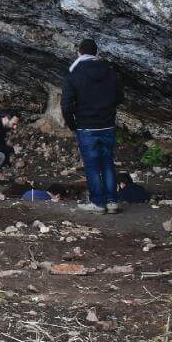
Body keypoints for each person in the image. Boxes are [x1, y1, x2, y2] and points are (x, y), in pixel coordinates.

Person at [61, 38, 123, 214]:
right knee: (108, 163)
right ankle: (112, 202)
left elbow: (66, 104)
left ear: (79, 52)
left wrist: (73, 124)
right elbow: (120, 97)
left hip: (86, 126)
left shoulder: (74, 73)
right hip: (107, 125)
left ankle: (98, 203)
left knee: (93, 166)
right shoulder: (109, 71)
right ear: (96, 53)